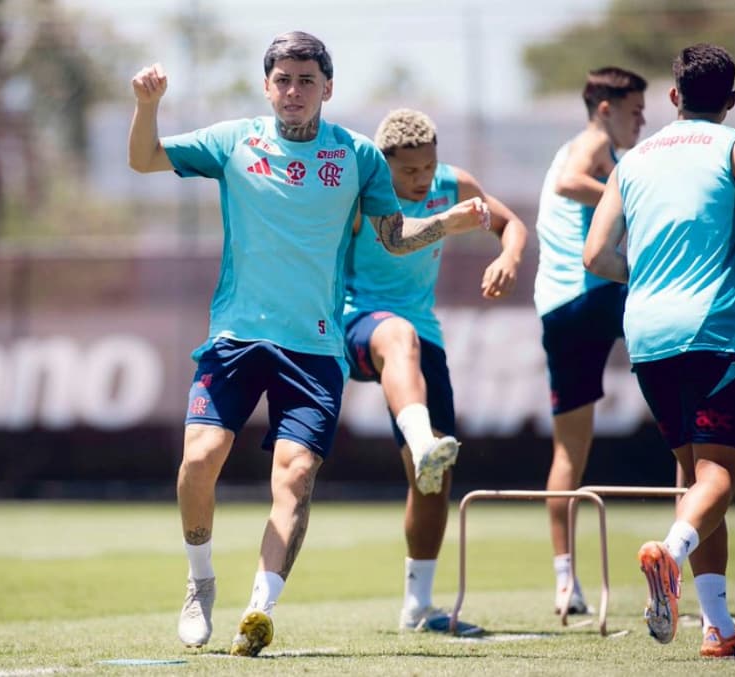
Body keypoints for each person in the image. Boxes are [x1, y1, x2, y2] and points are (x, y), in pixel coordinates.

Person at [127, 31, 490, 657]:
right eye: (283, 80)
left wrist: (448, 224)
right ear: (267, 87)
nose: (293, 91)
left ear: (328, 87)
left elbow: (394, 237)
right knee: (198, 462)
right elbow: (144, 159)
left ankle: (257, 610)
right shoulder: (233, 140)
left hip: (316, 352)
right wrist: (147, 105)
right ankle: (200, 579)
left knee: (293, 478)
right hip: (236, 339)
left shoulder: (357, 156)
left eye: (306, 80)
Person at [583, 43, 735, 658]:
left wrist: (647, 276)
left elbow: (594, 255)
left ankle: (718, 629)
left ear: (673, 97)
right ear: (729, 101)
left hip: (645, 334)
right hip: (710, 329)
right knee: (722, 476)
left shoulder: (634, 158)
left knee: (694, 477)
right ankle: (670, 556)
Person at [342, 108, 527, 634]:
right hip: (356, 319)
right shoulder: (365, 194)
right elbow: (395, 237)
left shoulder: (453, 184)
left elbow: (512, 224)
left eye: (429, 167)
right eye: (410, 173)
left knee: (433, 480)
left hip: (423, 331)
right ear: (384, 166)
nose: (423, 180)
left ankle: (418, 608)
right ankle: (421, 436)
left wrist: (508, 258)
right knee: (396, 334)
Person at [532, 66, 647, 615]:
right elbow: (570, 183)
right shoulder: (593, 145)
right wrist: (634, 205)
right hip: (596, 295)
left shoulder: (586, 146)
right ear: (606, 109)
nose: (642, 121)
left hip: (559, 308)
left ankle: (564, 581)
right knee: (691, 309)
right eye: (635, 111)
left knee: (569, 451)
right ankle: (726, 416)